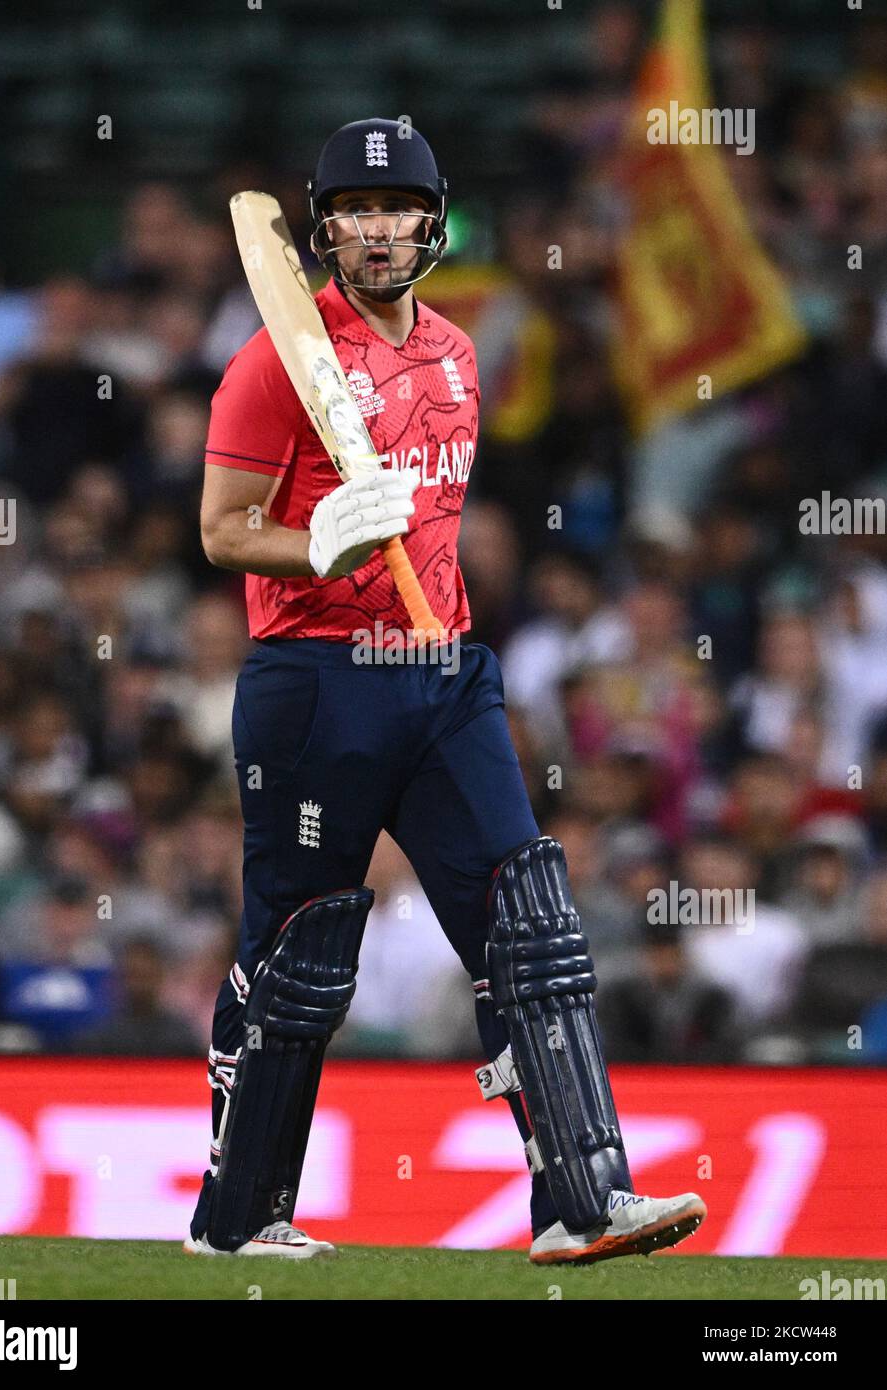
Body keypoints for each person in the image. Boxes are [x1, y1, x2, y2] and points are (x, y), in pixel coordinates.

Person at [185, 118, 705, 1264]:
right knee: (299, 952)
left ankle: (580, 1199)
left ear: (434, 220)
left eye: (398, 208)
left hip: (444, 670)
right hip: (315, 677)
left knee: (530, 926)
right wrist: (317, 541)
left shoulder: (461, 356)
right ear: (324, 227)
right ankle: (239, 1217)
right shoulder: (276, 356)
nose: (378, 230)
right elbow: (224, 533)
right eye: (356, 210)